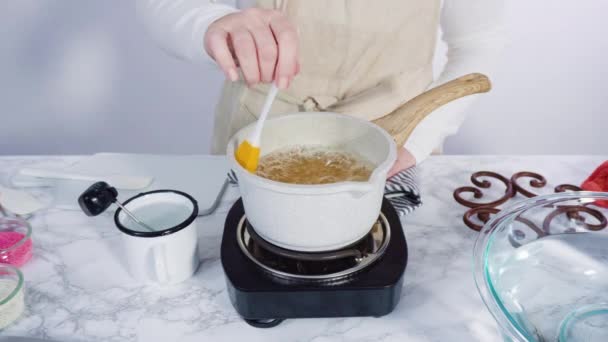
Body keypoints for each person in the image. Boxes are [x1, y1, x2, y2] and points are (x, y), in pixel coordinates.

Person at [137, 0, 505, 177]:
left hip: (397, 135)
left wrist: (419, 138)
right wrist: (213, 24)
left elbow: (478, 43)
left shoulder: (411, 140)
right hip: (261, 126)